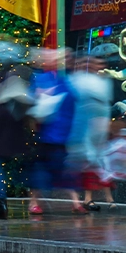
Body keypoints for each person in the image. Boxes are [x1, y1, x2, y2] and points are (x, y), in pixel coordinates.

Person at [28, 48, 81, 215]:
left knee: (60, 168)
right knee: (43, 169)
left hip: (57, 134)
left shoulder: (61, 80)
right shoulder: (41, 79)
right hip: (45, 134)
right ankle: (35, 202)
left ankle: (75, 201)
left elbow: (71, 101)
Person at [0, 47, 35, 220]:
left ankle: (2, 203)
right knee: (21, 170)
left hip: (0, 144)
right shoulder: (24, 105)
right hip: (19, 143)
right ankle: (31, 197)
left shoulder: (0, 102)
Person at [67, 55, 114, 211]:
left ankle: (92, 199)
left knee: (96, 161)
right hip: (82, 128)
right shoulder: (77, 81)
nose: (98, 66)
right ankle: (81, 200)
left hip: (96, 127)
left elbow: (104, 103)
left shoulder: (103, 81)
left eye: (101, 63)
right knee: (86, 161)